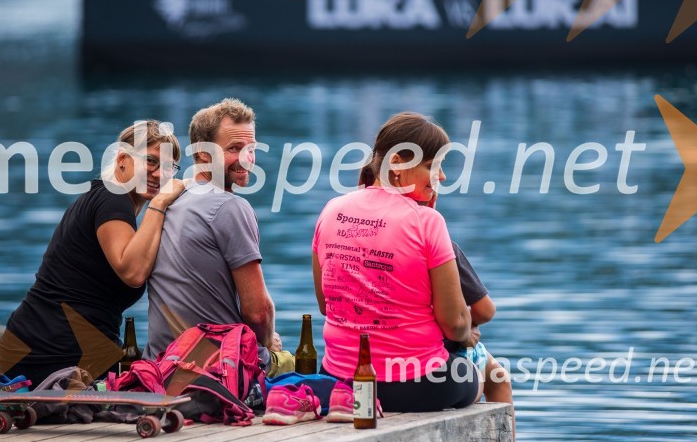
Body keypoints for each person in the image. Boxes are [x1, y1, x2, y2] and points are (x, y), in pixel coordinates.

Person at [312, 112, 480, 412]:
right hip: (416, 385)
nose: (441, 178)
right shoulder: (427, 221)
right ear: (399, 164)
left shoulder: (331, 209)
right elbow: (454, 324)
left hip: (339, 379)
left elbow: (326, 305)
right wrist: (468, 334)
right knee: (489, 374)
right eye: (433, 167)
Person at [0, 121, 184, 387]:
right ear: (122, 159)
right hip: (49, 355)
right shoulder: (112, 198)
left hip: (41, 349)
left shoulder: (105, 198)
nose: (158, 174)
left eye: (168, 168)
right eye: (151, 161)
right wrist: (162, 204)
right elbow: (132, 272)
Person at [143, 98, 284, 376]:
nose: (247, 159)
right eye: (234, 149)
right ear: (203, 154)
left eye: (251, 149)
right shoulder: (230, 207)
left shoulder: (170, 200)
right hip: (214, 369)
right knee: (289, 362)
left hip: (160, 366)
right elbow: (258, 313)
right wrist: (270, 346)